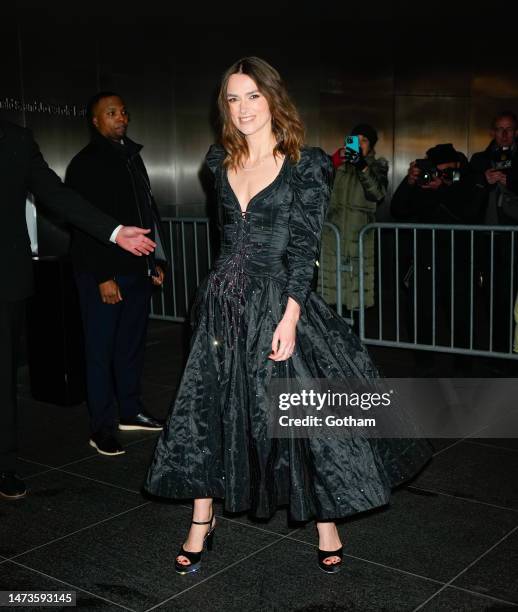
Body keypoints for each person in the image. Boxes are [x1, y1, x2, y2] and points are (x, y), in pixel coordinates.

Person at [144, 57, 432, 574]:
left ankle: (326, 522)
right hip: (220, 307)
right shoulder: (218, 161)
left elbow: (303, 248)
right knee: (208, 411)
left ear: (273, 98)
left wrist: (291, 315)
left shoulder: (306, 163)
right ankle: (201, 520)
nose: (242, 108)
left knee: (302, 413)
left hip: (279, 302)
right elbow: (226, 239)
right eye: (232, 99)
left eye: (252, 95)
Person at [0, 119, 156, 500]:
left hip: (4, 279)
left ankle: (3, 464)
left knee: (2, 378)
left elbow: (56, 194)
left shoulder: (15, 138)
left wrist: (114, 231)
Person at [65, 92, 167, 457]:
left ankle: (130, 410)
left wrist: (156, 262)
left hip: (136, 271)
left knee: (130, 346)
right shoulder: (86, 163)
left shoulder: (131, 158)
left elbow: (147, 214)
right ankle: (101, 427)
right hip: (103, 275)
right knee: (99, 350)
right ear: (95, 121)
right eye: (111, 113)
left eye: (123, 111)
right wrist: (102, 276)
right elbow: (82, 224)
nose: (120, 117)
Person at [391, 144, 475, 372]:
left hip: (459, 259)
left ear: (457, 166)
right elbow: (398, 209)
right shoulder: (423, 185)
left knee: (460, 314)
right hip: (425, 258)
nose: (440, 176)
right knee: (420, 312)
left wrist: (445, 189)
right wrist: (409, 183)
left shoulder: (467, 181)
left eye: (447, 171)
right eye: (438, 171)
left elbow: (470, 211)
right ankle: (424, 360)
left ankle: (464, 362)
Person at [321, 124, 388, 312]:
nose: (359, 144)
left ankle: (355, 339)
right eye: (355, 140)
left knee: (355, 299)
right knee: (330, 299)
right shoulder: (338, 166)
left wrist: (362, 167)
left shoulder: (377, 166)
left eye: (364, 140)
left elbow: (378, 193)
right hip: (332, 240)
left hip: (358, 241)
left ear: (371, 146)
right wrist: (331, 163)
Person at [468, 111, 518, 357]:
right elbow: (465, 190)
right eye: (500, 129)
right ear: (492, 132)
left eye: (509, 129)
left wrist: (511, 182)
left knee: (512, 295)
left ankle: (509, 348)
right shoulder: (479, 160)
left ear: (516, 131)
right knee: (489, 294)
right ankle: (497, 349)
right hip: (486, 237)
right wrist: (483, 180)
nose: (505, 134)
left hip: (513, 237)